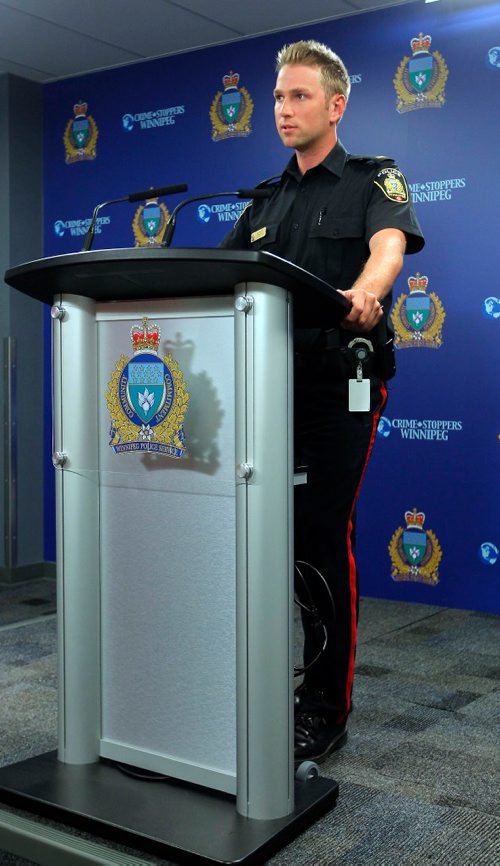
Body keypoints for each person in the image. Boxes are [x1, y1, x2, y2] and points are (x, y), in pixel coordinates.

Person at [220, 40, 424, 764]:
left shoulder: (372, 180)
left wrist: (368, 292)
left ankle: (325, 707)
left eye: (299, 96)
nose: (283, 109)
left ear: (336, 105)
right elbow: (215, 282)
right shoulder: (265, 202)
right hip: (265, 389)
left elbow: (389, 247)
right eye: (278, 97)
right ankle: (262, 681)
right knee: (260, 538)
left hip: (341, 385)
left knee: (317, 534)